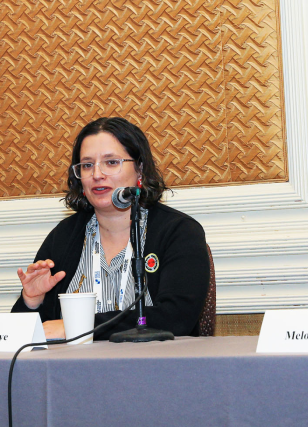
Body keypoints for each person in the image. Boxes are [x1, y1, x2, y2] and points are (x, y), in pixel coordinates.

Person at [11, 117, 210, 340]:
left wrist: (81, 328)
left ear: (140, 170)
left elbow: (177, 317)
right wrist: (32, 301)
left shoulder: (178, 232)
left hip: (156, 369)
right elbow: (26, 335)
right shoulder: (64, 237)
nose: (97, 174)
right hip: (74, 372)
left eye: (111, 162)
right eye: (87, 165)